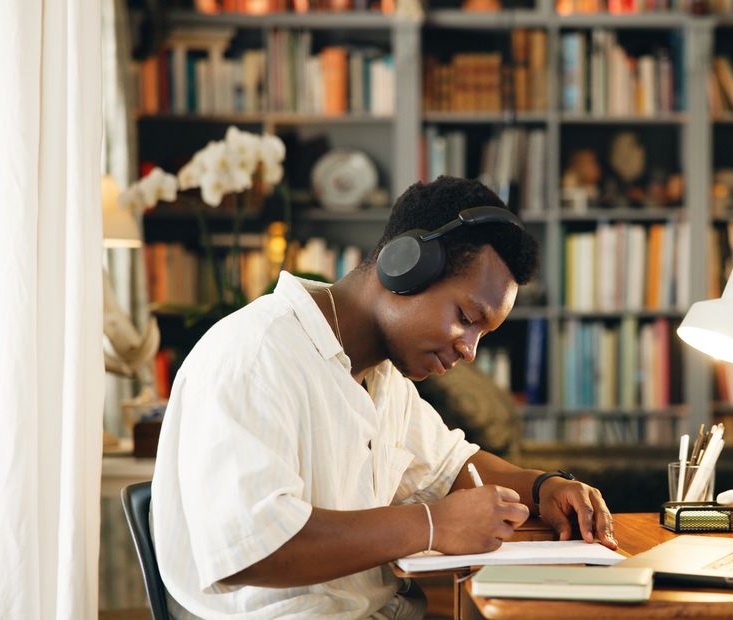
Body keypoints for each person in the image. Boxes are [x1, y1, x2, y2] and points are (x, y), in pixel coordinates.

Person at [151, 176, 618, 619]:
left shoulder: (381, 376)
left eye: (482, 334)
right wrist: (432, 525)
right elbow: (252, 548)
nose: (469, 350)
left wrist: (544, 487)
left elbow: (452, 469)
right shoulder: (255, 354)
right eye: (465, 317)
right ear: (406, 265)